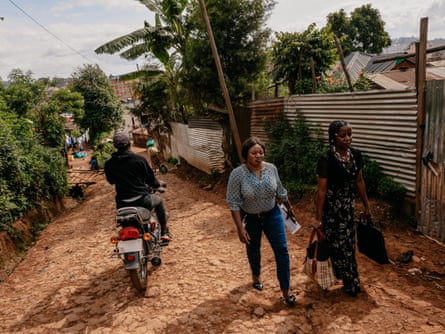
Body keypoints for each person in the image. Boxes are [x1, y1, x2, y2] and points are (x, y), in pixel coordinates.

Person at [226, 137, 296, 306]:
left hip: (273, 215)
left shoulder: (271, 169)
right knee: (253, 249)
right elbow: (234, 203)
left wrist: (290, 208)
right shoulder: (237, 174)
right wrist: (239, 228)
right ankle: (256, 276)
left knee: (282, 250)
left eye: (261, 152)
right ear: (246, 155)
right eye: (254, 153)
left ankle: (286, 291)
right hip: (251, 218)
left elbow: (280, 190)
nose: (258, 156)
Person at [314, 120, 371, 296]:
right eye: (343, 135)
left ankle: (343, 275)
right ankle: (351, 282)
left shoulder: (356, 155)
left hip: (348, 208)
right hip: (331, 210)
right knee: (339, 246)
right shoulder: (326, 159)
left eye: (349, 134)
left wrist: (367, 206)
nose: (348, 138)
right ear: (333, 138)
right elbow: (321, 191)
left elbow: (359, 181)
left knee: (349, 245)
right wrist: (318, 218)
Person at [104, 131, 172, 241]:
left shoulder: (109, 164)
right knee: (159, 201)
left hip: (122, 203)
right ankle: (164, 232)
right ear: (129, 144)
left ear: (115, 146)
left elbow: (111, 181)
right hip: (142, 201)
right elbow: (152, 182)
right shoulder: (139, 160)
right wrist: (159, 184)